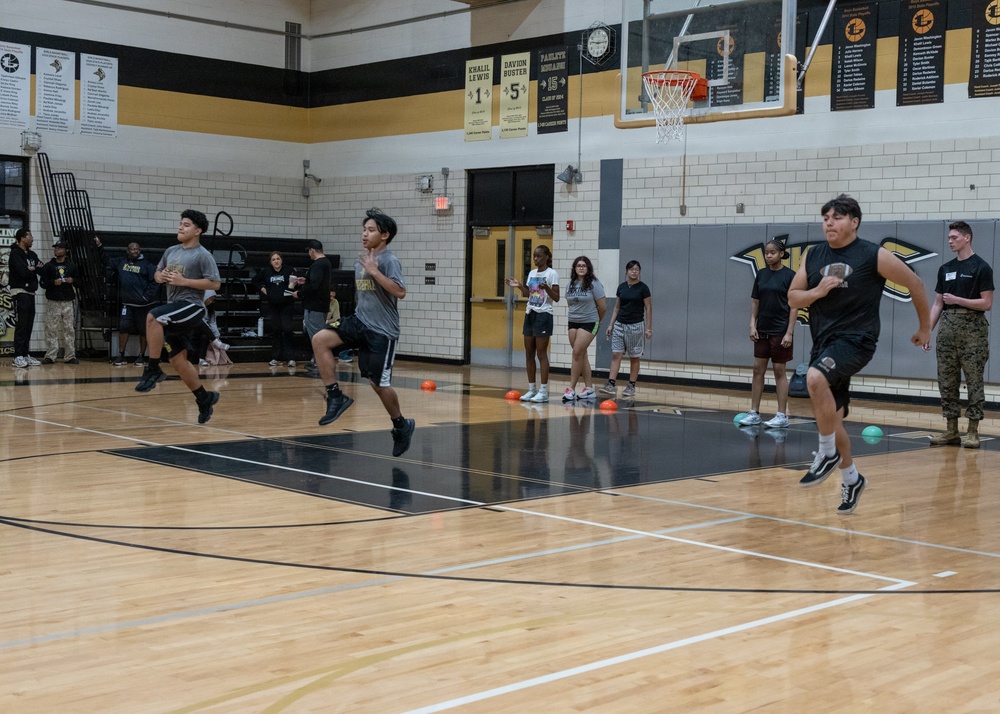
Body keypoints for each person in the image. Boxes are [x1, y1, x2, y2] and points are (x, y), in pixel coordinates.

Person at [788, 195, 930, 514]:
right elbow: (793, 298)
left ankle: (826, 453)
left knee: (814, 378)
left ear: (854, 222)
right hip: (824, 343)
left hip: (857, 340)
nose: (829, 223)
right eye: (825, 217)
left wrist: (925, 328)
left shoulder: (872, 254)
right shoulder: (813, 254)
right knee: (832, 418)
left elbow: (916, 284)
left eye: (837, 217)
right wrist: (817, 292)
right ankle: (852, 479)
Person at [312, 208, 414, 457]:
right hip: (360, 321)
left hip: (382, 331)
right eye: (364, 229)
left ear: (385, 235)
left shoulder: (389, 261)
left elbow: (400, 292)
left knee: (378, 385)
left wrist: (375, 271)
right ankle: (336, 397)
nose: (364, 234)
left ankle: (401, 425)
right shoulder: (363, 259)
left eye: (370, 230)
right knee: (320, 340)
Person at [134, 209, 223, 425]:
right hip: (174, 308)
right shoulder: (171, 251)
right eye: (180, 223)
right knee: (177, 360)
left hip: (192, 306)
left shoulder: (203, 255)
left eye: (186, 225)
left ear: (197, 231)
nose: (180, 227)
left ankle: (153, 368)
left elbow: (215, 284)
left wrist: (185, 281)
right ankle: (204, 398)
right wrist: (161, 276)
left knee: (153, 317)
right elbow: (157, 273)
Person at [926, 221, 994, 449]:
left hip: (972, 329)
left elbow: (987, 303)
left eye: (954, 237)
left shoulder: (981, 267)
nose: (950, 241)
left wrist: (958, 300)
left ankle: (973, 431)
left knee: (974, 380)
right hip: (947, 328)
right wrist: (926, 331)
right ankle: (951, 430)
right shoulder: (945, 269)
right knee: (947, 380)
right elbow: (938, 304)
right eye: (949, 237)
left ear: (967, 238)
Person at [739, 238, 797, 428]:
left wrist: (789, 333)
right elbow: (756, 301)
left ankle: (781, 415)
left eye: (772, 252)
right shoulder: (762, 274)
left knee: (779, 371)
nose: (768, 256)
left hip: (780, 330)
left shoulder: (790, 276)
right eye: (766, 253)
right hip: (762, 330)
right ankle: (754, 412)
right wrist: (752, 325)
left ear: (781, 254)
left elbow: (794, 306)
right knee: (757, 370)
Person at [506, 245, 560, 403]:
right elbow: (528, 294)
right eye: (534, 256)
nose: (536, 259)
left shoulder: (552, 274)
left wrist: (547, 288)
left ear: (547, 257)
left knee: (541, 353)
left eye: (539, 256)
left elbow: (556, 297)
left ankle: (543, 391)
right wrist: (519, 286)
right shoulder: (532, 273)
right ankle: (531, 389)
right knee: (529, 353)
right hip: (530, 314)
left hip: (544, 315)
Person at [95, 236, 159, 366]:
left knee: (143, 331)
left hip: (143, 305)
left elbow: (155, 282)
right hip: (127, 304)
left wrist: (146, 297)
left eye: (137, 249)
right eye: (133, 249)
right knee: (123, 328)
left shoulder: (147, 265)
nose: (135, 251)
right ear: (127, 251)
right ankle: (121, 355)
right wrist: (99, 246)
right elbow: (106, 260)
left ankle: (142, 356)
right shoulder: (121, 262)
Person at [600, 260, 652, 398]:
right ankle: (611, 384)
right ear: (626, 271)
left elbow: (648, 308)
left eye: (636, 269)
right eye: (631, 269)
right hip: (620, 324)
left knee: (634, 357)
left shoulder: (643, 288)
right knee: (616, 354)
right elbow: (617, 307)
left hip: (635, 325)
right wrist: (611, 324)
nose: (634, 271)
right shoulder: (621, 287)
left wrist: (648, 328)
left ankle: (631, 385)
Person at [562, 255, 606, 401]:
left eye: (584, 265)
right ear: (574, 268)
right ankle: (589, 389)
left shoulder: (594, 284)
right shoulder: (570, 285)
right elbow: (570, 304)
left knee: (576, 353)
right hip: (573, 322)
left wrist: (597, 321)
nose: (581, 268)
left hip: (590, 322)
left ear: (588, 268)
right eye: (578, 265)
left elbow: (603, 307)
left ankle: (571, 389)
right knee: (581, 354)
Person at [252, 251, 297, 367]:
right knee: (276, 330)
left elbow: (296, 283)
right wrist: (262, 288)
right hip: (273, 305)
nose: (276, 261)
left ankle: (291, 358)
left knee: (287, 329)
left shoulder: (289, 270)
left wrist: (294, 285)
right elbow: (255, 280)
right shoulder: (266, 271)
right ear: (270, 262)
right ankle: (275, 357)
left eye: (278, 259)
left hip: (287, 304)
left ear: (282, 260)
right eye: (273, 259)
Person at [293, 239, 332, 372]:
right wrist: (306, 280)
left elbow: (314, 286)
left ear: (312, 250)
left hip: (314, 307)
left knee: (316, 337)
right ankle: (319, 363)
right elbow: (318, 283)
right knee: (319, 335)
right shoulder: (326, 263)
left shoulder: (317, 265)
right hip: (321, 305)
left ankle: (319, 364)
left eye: (309, 251)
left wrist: (299, 293)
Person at [38, 241, 79, 364]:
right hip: (53, 301)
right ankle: (51, 355)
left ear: (66, 251)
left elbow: (80, 282)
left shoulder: (72, 266)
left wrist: (73, 280)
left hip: (68, 301)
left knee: (69, 329)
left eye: (60, 248)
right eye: (56, 248)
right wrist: (52, 282)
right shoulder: (49, 266)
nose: (56, 250)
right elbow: (42, 283)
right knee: (51, 328)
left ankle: (70, 355)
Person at [8, 228, 41, 367]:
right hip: (20, 292)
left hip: (31, 293)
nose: (32, 239)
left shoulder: (32, 254)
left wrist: (33, 269)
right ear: (22, 238)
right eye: (30, 236)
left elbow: (41, 268)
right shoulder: (15, 253)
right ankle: (17, 356)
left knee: (28, 325)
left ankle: (25, 354)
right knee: (21, 325)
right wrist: (32, 269)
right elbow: (22, 272)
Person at [324, 288, 354, 363]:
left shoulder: (335, 302)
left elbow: (336, 318)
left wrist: (328, 321)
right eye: (330, 296)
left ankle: (343, 353)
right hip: (316, 323)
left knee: (343, 328)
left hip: (328, 322)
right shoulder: (320, 302)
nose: (332, 298)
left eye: (333, 296)